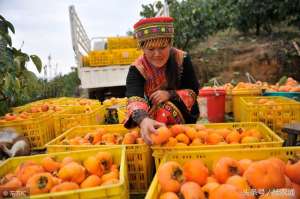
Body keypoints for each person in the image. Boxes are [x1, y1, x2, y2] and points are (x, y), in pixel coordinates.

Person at [124, 16, 199, 145]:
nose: (157, 54)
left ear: (170, 44)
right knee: (142, 116)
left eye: (163, 47)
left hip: (184, 111)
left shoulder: (182, 58)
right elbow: (134, 96)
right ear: (142, 48)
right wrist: (143, 119)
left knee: (165, 109)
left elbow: (193, 90)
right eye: (151, 49)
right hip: (152, 113)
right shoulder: (137, 68)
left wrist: (170, 94)